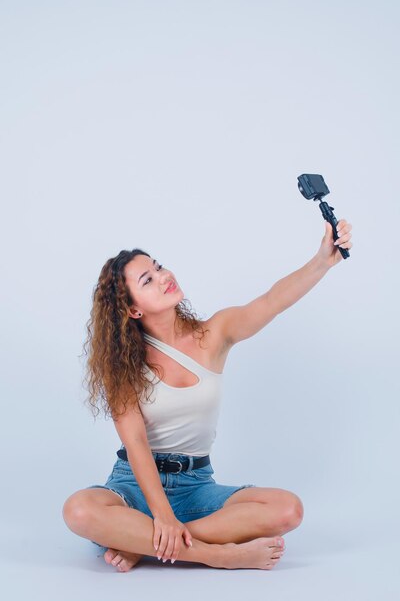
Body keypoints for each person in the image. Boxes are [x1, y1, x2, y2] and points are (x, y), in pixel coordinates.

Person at [62, 219, 353, 571]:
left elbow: (272, 301)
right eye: (148, 280)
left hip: (196, 484)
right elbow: (136, 443)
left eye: (158, 266)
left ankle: (142, 543)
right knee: (78, 509)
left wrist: (323, 259)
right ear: (133, 309)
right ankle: (216, 555)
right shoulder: (122, 365)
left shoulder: (213, 334)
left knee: (289, 509)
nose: (164, 276)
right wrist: (161, 514)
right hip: (134, 485)